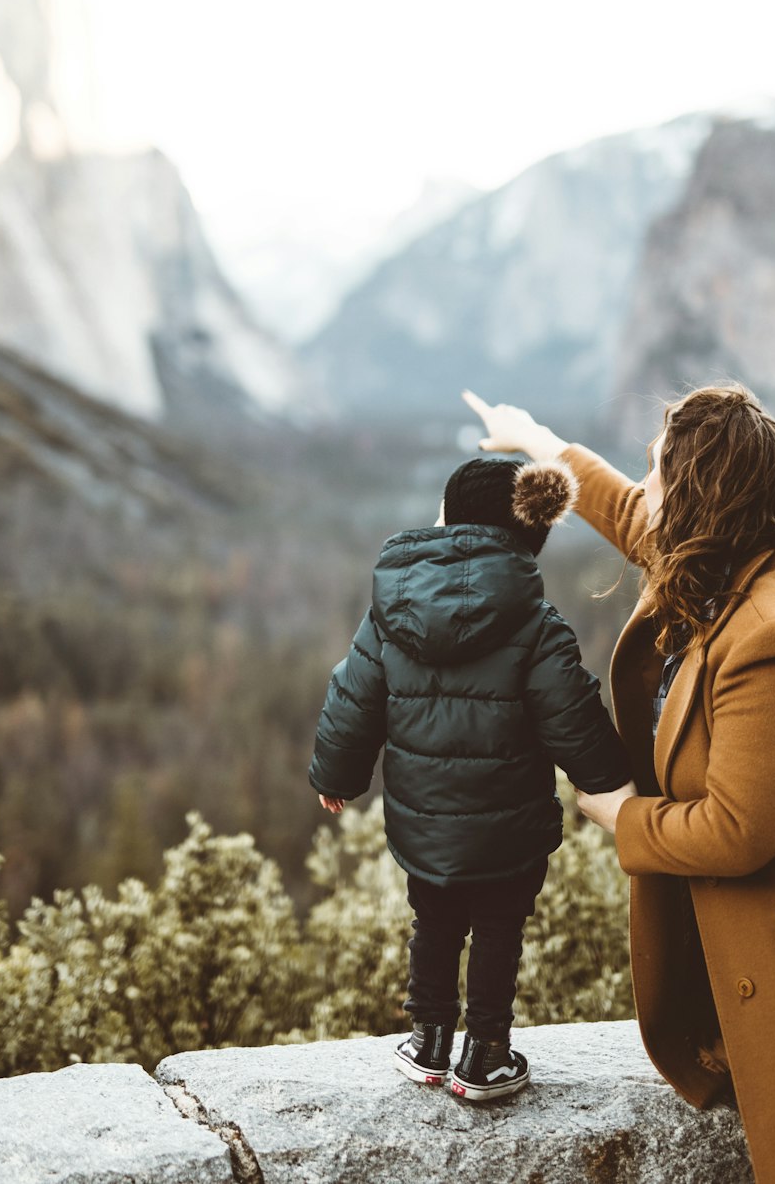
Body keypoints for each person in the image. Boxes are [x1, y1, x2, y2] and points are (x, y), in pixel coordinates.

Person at [463, 383, 775, 1183]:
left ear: (700, 499)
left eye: (660, 472)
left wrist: (621, 815)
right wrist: (538, 441)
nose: (647, 488)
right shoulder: (728, 559)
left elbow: (739, 831)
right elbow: (630, 514)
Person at [308, 454, 632, 1101]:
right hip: (509, 828)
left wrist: (337, 774)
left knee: (432, 920)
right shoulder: (536, 624)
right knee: (498, 930)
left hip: (422, 821)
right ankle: (484, 1054)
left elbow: (353, 699)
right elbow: (574, 715)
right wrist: (612, 784)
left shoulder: (390, 614)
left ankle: (428, 1042)